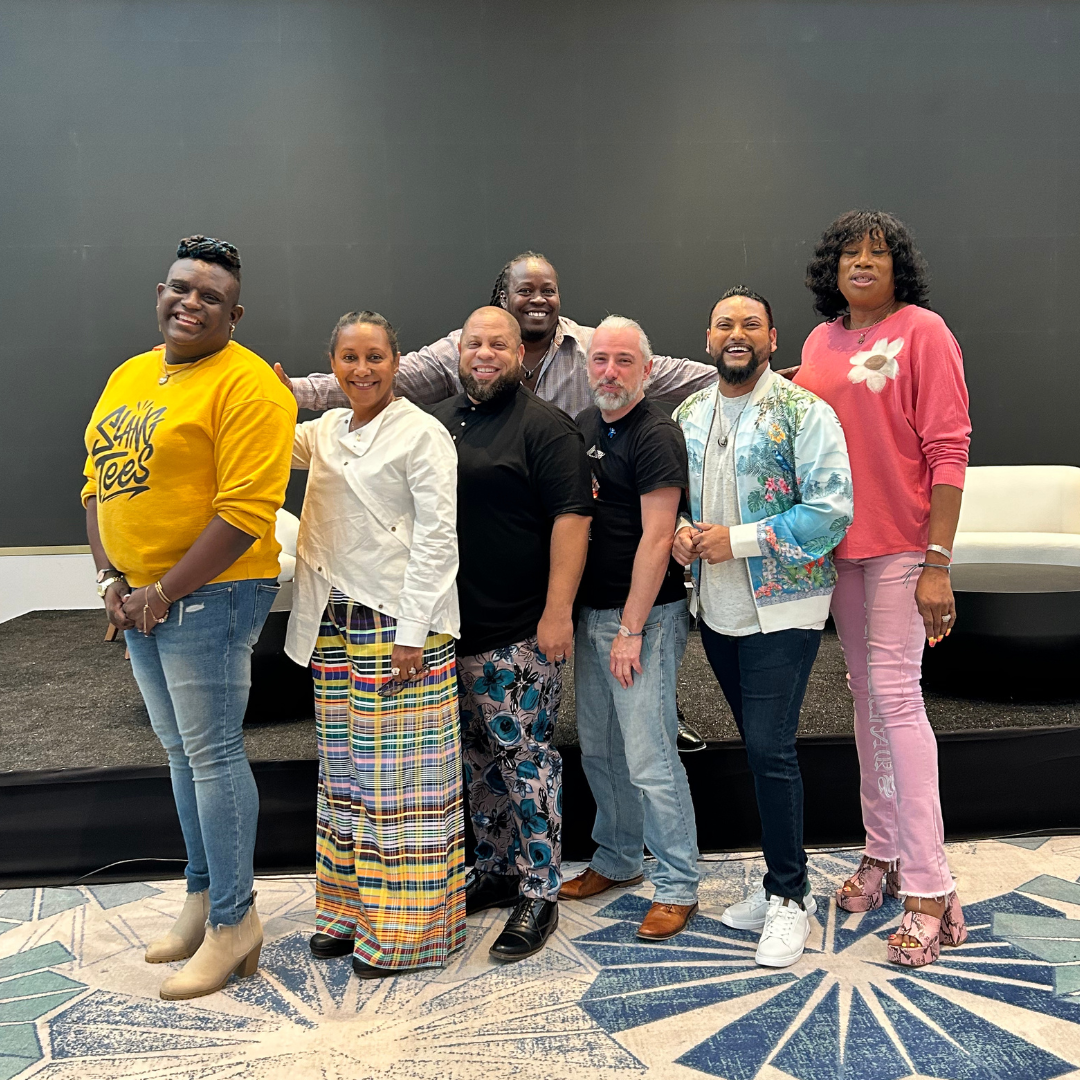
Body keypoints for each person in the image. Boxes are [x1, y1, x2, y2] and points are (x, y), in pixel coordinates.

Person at [82, 235, 296, 1000]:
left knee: (210, 754)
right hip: (139, 594)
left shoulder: (251, 387)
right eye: (180, 287)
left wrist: (163, 592)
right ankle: (202, 901)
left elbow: (243, 515)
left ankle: (236, 921)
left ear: (235, 314)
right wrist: (112, 576)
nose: (190, 302)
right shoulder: (130, 374)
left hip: (211, 594)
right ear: (161, 290)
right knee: (179, 753)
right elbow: (95, 484)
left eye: (210, 296)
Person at [793, 210, 971, 967]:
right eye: (849, 254)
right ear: (831, 268)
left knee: (897, 697)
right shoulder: (819, 342)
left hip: (903, 546)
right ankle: (883, 852)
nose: (862, 263)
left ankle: (930, 885)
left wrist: (939, 560)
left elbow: (949, 447)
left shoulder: (924, 331)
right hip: (842, 551)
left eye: (878, 253)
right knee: (864, 697)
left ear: (899, 266)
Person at [671, 287, 852, 967]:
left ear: (774, 339)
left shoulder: (804, 411)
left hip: (785, 608)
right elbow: (684, 504)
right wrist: (686, 535)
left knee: (771, 750)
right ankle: (780, 882)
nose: (736, 334)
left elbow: (833, 511)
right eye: (725, 324)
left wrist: (739, 539)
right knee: (757, 748)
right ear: (709, 336)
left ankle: (790, 898)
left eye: (751, 324)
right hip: (716, 611)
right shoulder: (689, 413)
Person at [284, 310, 465, 978]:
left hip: (400, 627)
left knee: (402, 789)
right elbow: (266, 436)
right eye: (349, 359)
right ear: (331, 365)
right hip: (332, 620)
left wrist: (413, 634)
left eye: (376, 358)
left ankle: (410, 937)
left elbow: (438, 539)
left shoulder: (423, 434)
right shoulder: (325, 430)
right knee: (344, 777)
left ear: (397, 363)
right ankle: (348, 912)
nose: (362, 371)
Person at [429, 306, 592, 961]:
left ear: (521, 354)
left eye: (500, 343)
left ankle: (539, 891)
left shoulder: (547, 429)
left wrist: (557, 614)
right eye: (475, 343)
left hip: (520, 633)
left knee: (526, 766)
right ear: (459, 351)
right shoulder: (439, 424)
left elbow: (572, 522)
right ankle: (496, 874)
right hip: (453, 632)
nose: (486, 353)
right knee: (478, 764)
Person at [561, 315, 700, 940]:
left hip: (642, 618)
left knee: (649, 756)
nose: (609, 372)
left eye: (623, 361)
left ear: (647, 369)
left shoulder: (657, 436)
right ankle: (617, 858)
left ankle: (677, 884)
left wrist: (631, 629)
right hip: (592, 612)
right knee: (600, 748)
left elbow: (657, 538)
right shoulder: (586, 426)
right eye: (599, 360)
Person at [277, 251, 718, 419]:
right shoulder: (465, 348)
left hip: (576, 512)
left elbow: (671, 375)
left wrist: (749, 379)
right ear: (504, 297)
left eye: (549, 291)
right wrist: (292, 392)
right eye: (526, 291)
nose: (539, 300)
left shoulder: (590, 347)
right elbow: (382, 377)